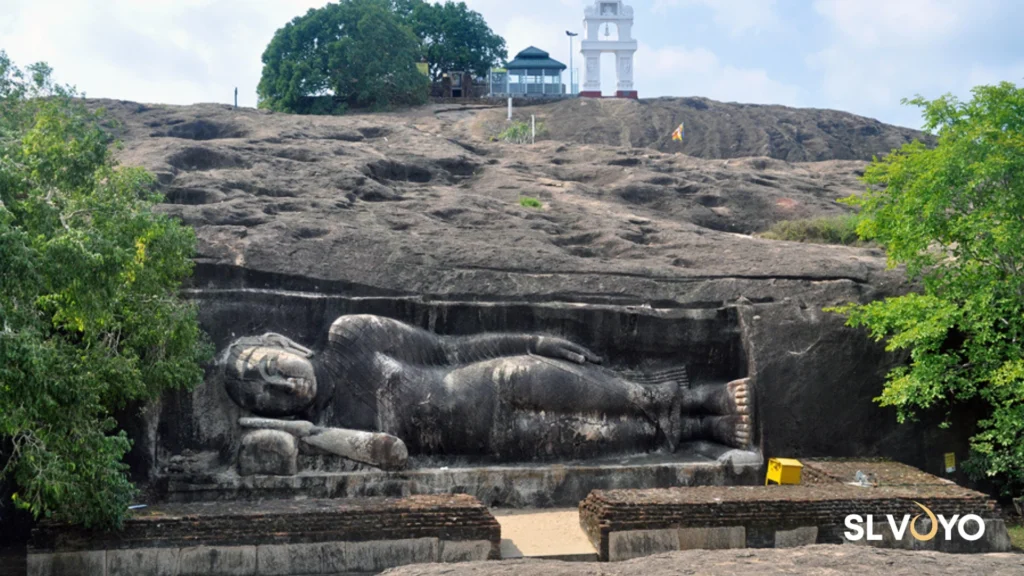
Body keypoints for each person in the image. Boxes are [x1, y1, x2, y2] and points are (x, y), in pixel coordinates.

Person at [220, 314, 752, 467]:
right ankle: (703, 431)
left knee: (620, 398)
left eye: (272, 365)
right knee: (610, 435)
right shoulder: (332, 431)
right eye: (264, 394)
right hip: (497, 439)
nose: (283, 384)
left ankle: (703, 399)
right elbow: (391, 455)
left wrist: (533, 340)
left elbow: (450, 349)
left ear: (280, 340)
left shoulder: (351, 337)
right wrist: (304, 433)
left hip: (494, 380)